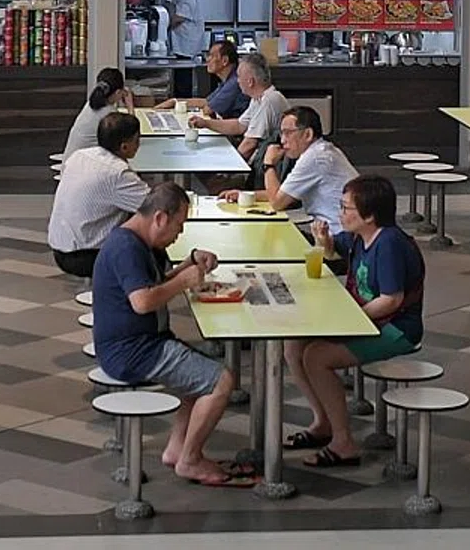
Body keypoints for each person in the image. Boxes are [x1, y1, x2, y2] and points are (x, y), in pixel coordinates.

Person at [91, 183, 248, 486]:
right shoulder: (126, 248)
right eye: (179, 225)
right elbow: (143, 301)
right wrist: (184, 282)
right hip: (132, 351)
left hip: (143, 342)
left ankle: (178, 450)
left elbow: (152, 284)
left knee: (199, 375)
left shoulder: (136, 241)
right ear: (160, 218)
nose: (179, 233)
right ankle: (190, 460)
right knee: (221, 381)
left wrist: (188, 264)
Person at [286, 175, 424, 467]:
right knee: (294, 345)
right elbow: (333, 248)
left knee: (316, 357)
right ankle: (322, 421)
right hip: (367, 320)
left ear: (370, 215)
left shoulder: (388, 243)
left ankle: (344, 441)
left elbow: (391, 299)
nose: (340, 213)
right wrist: (323, 241)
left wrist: (349, 318)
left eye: (346, 208)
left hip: (396, 328)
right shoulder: (361, 236)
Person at [48, 111, 150, 277]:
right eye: (137, 140)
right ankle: (137, 294)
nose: (139, 144)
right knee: (150, 241)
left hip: (60, 245)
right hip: (85, 254)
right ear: (124, 146)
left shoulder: (80, 156)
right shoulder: (117, 173)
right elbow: (155, 206)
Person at [257, 106, 357, 227]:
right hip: (330, 228)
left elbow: (277, 202)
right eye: (281, 133)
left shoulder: (314, 158)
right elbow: (285, 193)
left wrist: (269, 165)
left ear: (308, 134)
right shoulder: (324, 150)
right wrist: (247, 196)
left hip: (337, 233)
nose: (282, 140)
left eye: (288, 133)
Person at [190, 53, 286, 170]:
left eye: (239, 77)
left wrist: (226, 169)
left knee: (209, 175)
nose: (238, 81)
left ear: (250, 82)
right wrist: (205, 123)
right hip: (256, 161)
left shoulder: (268, 101)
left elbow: (250, 144)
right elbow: (239, 125)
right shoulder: (258, 98)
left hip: (263, 168)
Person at [154, 39, 244, 119]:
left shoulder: (235, 82)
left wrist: (208, 107)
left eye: (212, 56)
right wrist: (174, 102)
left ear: (224, 60)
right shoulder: (228, 80)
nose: (207, 60)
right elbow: (206, 102)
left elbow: (208, 109)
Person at [64, 68, 132, 155]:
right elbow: (130, 136)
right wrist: (130, 105)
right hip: (83, 165)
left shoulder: (92, 103)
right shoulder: (108, 114)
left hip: (72, 162)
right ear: (118, 92)